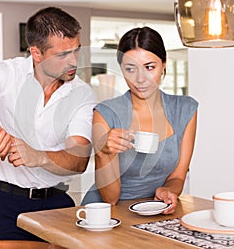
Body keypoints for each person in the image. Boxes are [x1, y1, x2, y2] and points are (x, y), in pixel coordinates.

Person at [0, 7, 96, 240]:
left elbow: (78, 160)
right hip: (4, 204)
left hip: (58, 205)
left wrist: (39, 156)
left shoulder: (82, 94)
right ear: (36, 53)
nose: (73, 61)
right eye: (62, 55)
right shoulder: (10, 73)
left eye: (76, 51)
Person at [81, 27, 198, 214]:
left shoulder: (185, 109)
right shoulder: (105, 113)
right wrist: (104, 153)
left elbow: (178, 176)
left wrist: (168, 190)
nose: (140, 79)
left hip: (155, 209)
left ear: (164, 64)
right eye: (130, 69)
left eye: (149, 67)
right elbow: (110, 199)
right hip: (106, 213)